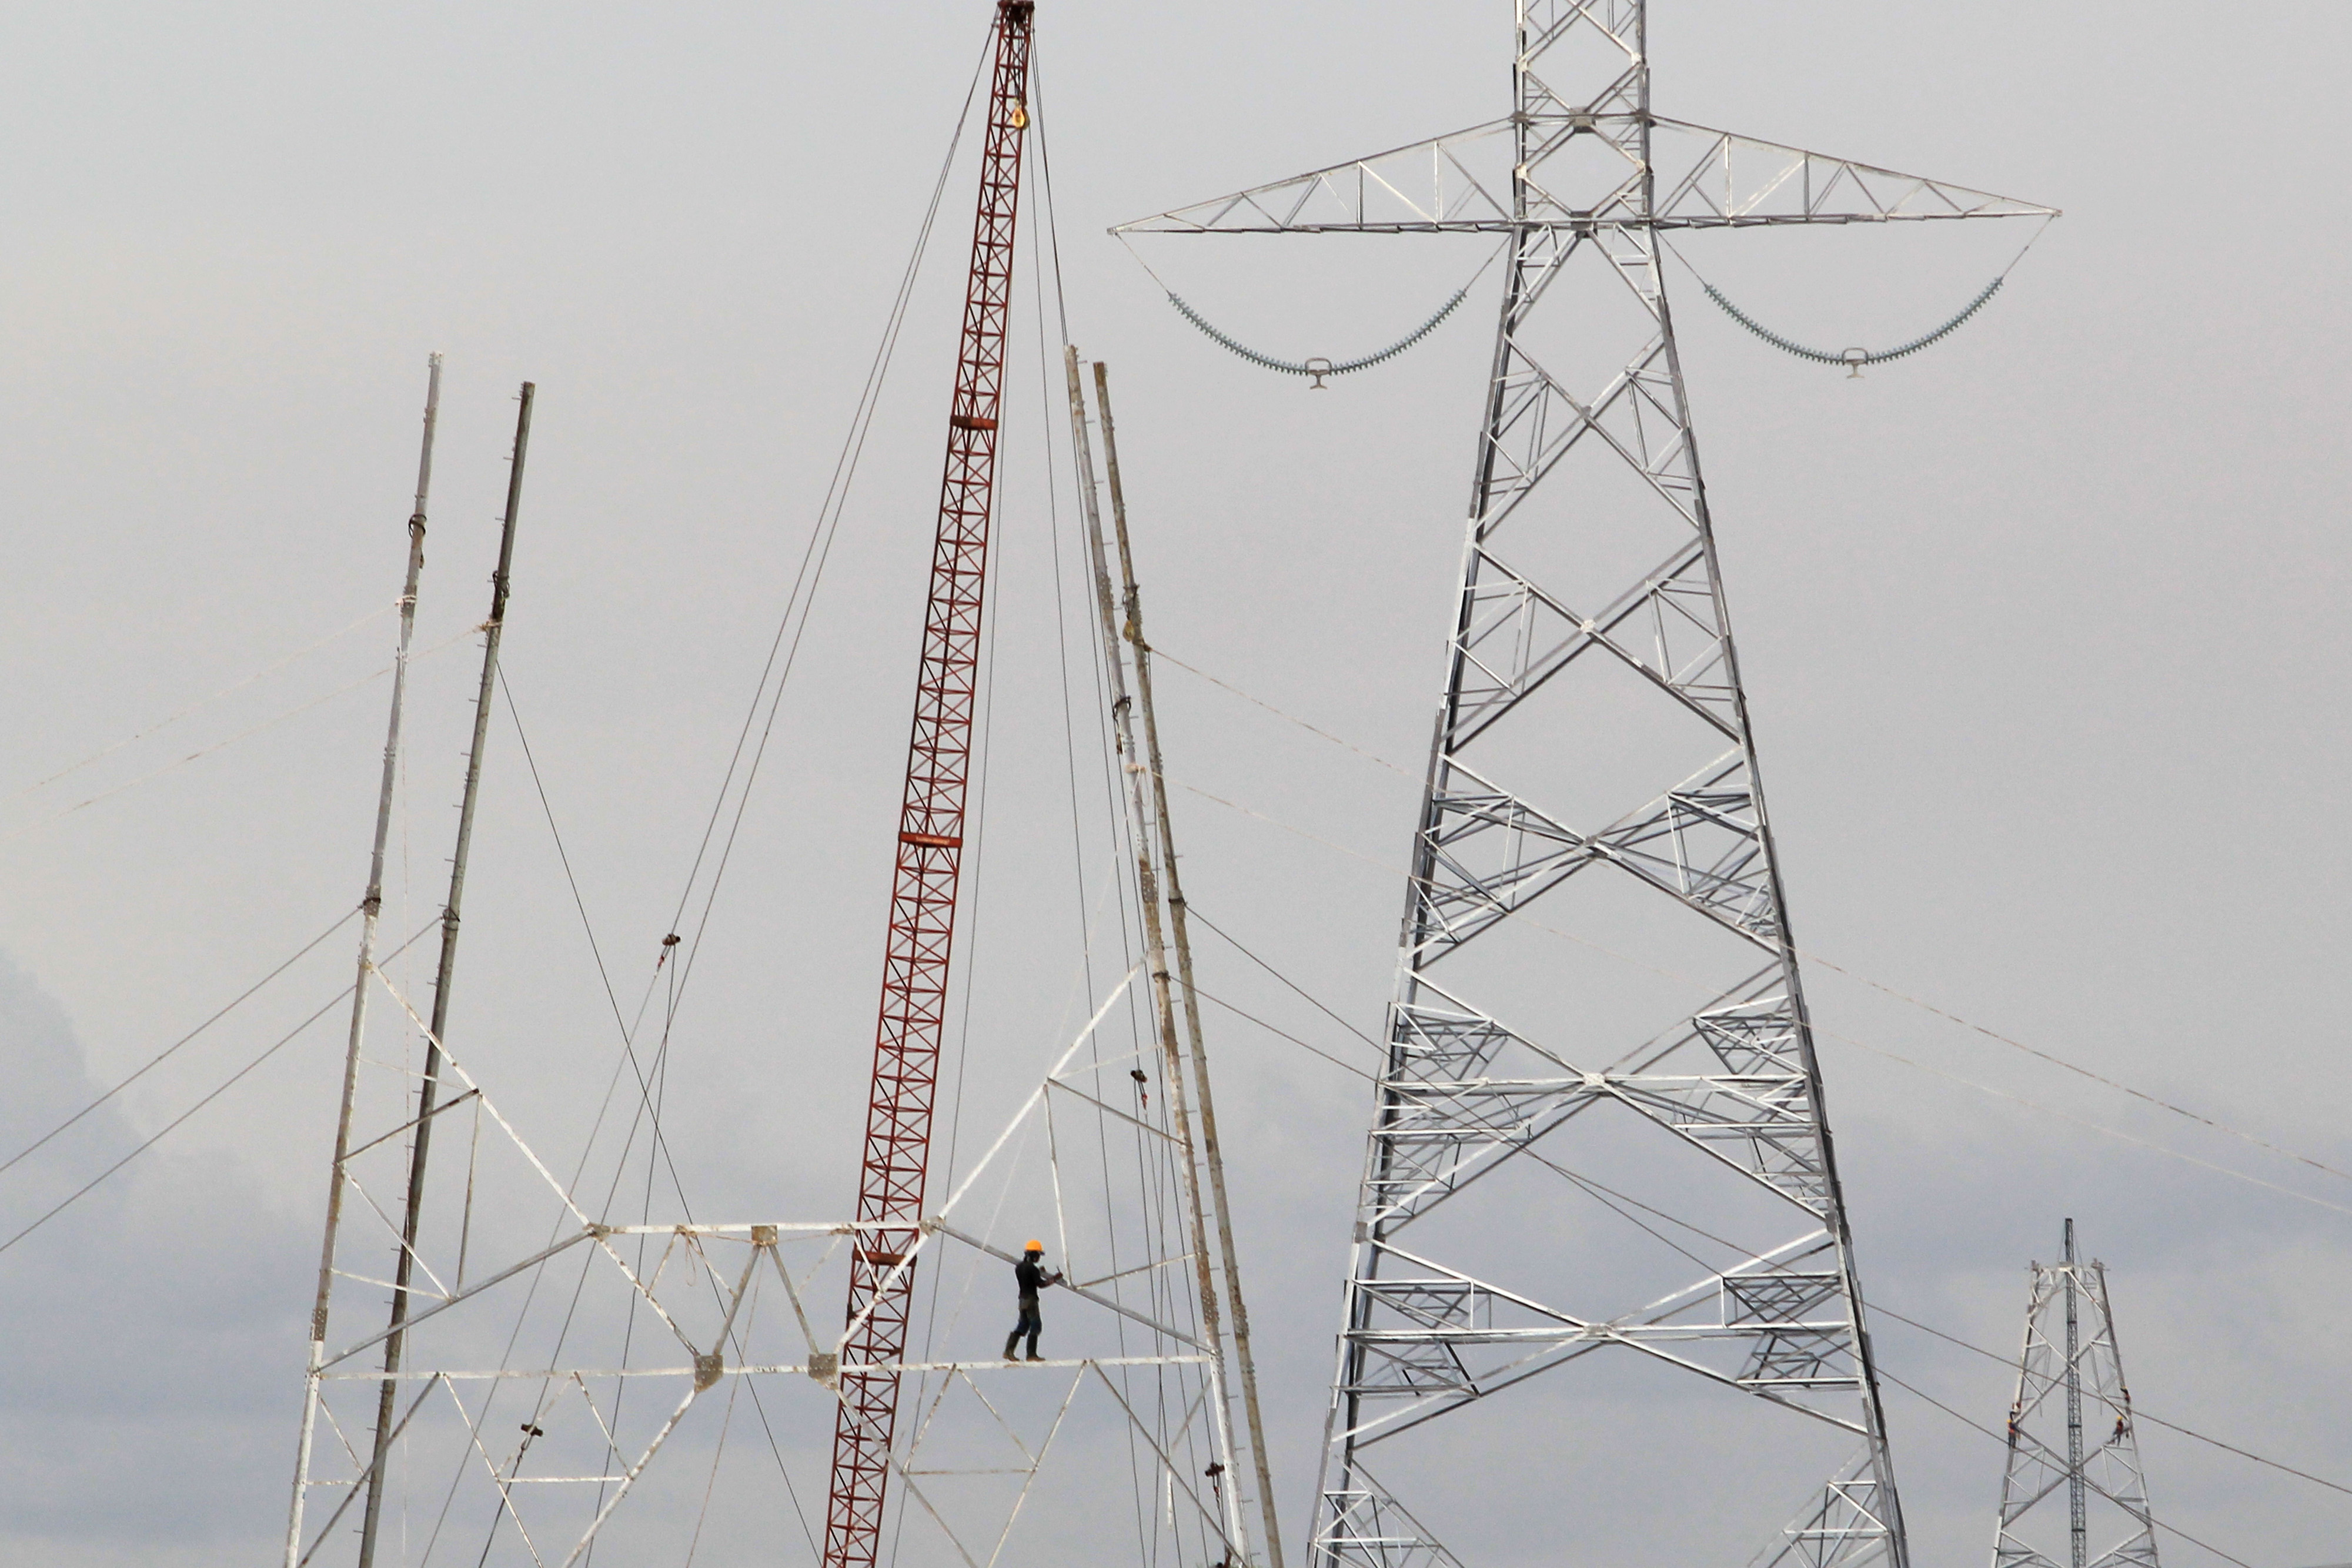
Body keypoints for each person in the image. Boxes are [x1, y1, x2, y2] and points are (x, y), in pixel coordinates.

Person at [1003, 1240, 1063, 1362]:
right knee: (1036, 1326)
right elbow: (1041, 1284)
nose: (1039, 1258)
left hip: (1022, 1300)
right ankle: (1031, 1354)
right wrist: (1055, 1279)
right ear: (1034, 1255)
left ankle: (1009, 1351)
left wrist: (1039, 1272)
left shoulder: (1019, 1267)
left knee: (1023, 1325)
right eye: (1038, 1255)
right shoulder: (1032, 1269)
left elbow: (1028, 1278)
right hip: (1031, 1301)